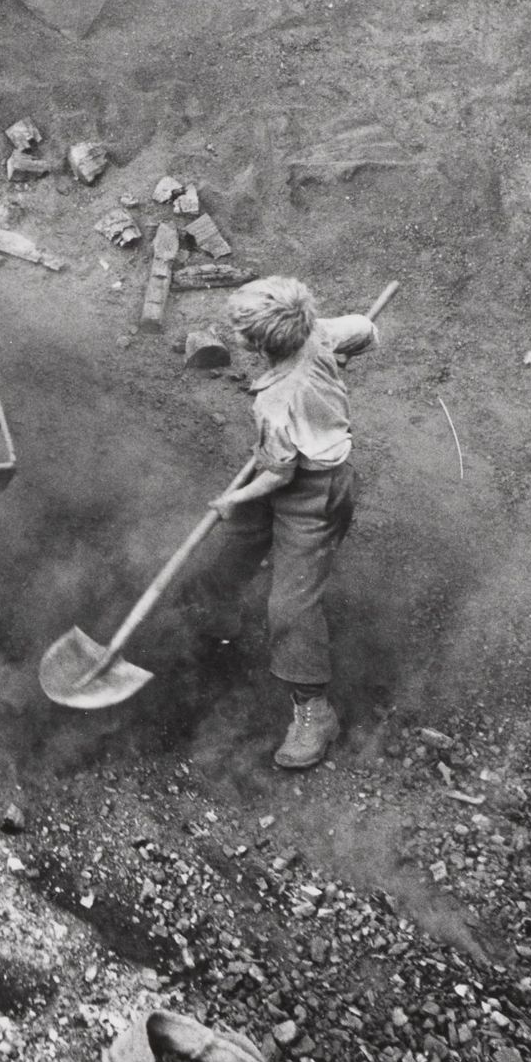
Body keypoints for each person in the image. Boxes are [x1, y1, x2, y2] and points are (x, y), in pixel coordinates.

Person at [211, 273, 379, 772]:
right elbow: (367, 330)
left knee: (290, 605)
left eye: (241, 331)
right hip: (284, 460)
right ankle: (219, 614)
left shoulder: (277, 401)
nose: (234, 335)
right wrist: (332, 361)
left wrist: (234, 496)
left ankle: (314, 712)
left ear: (261, 343)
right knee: (237, 543)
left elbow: (280, 474)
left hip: (314, 492)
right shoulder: (317, 333)